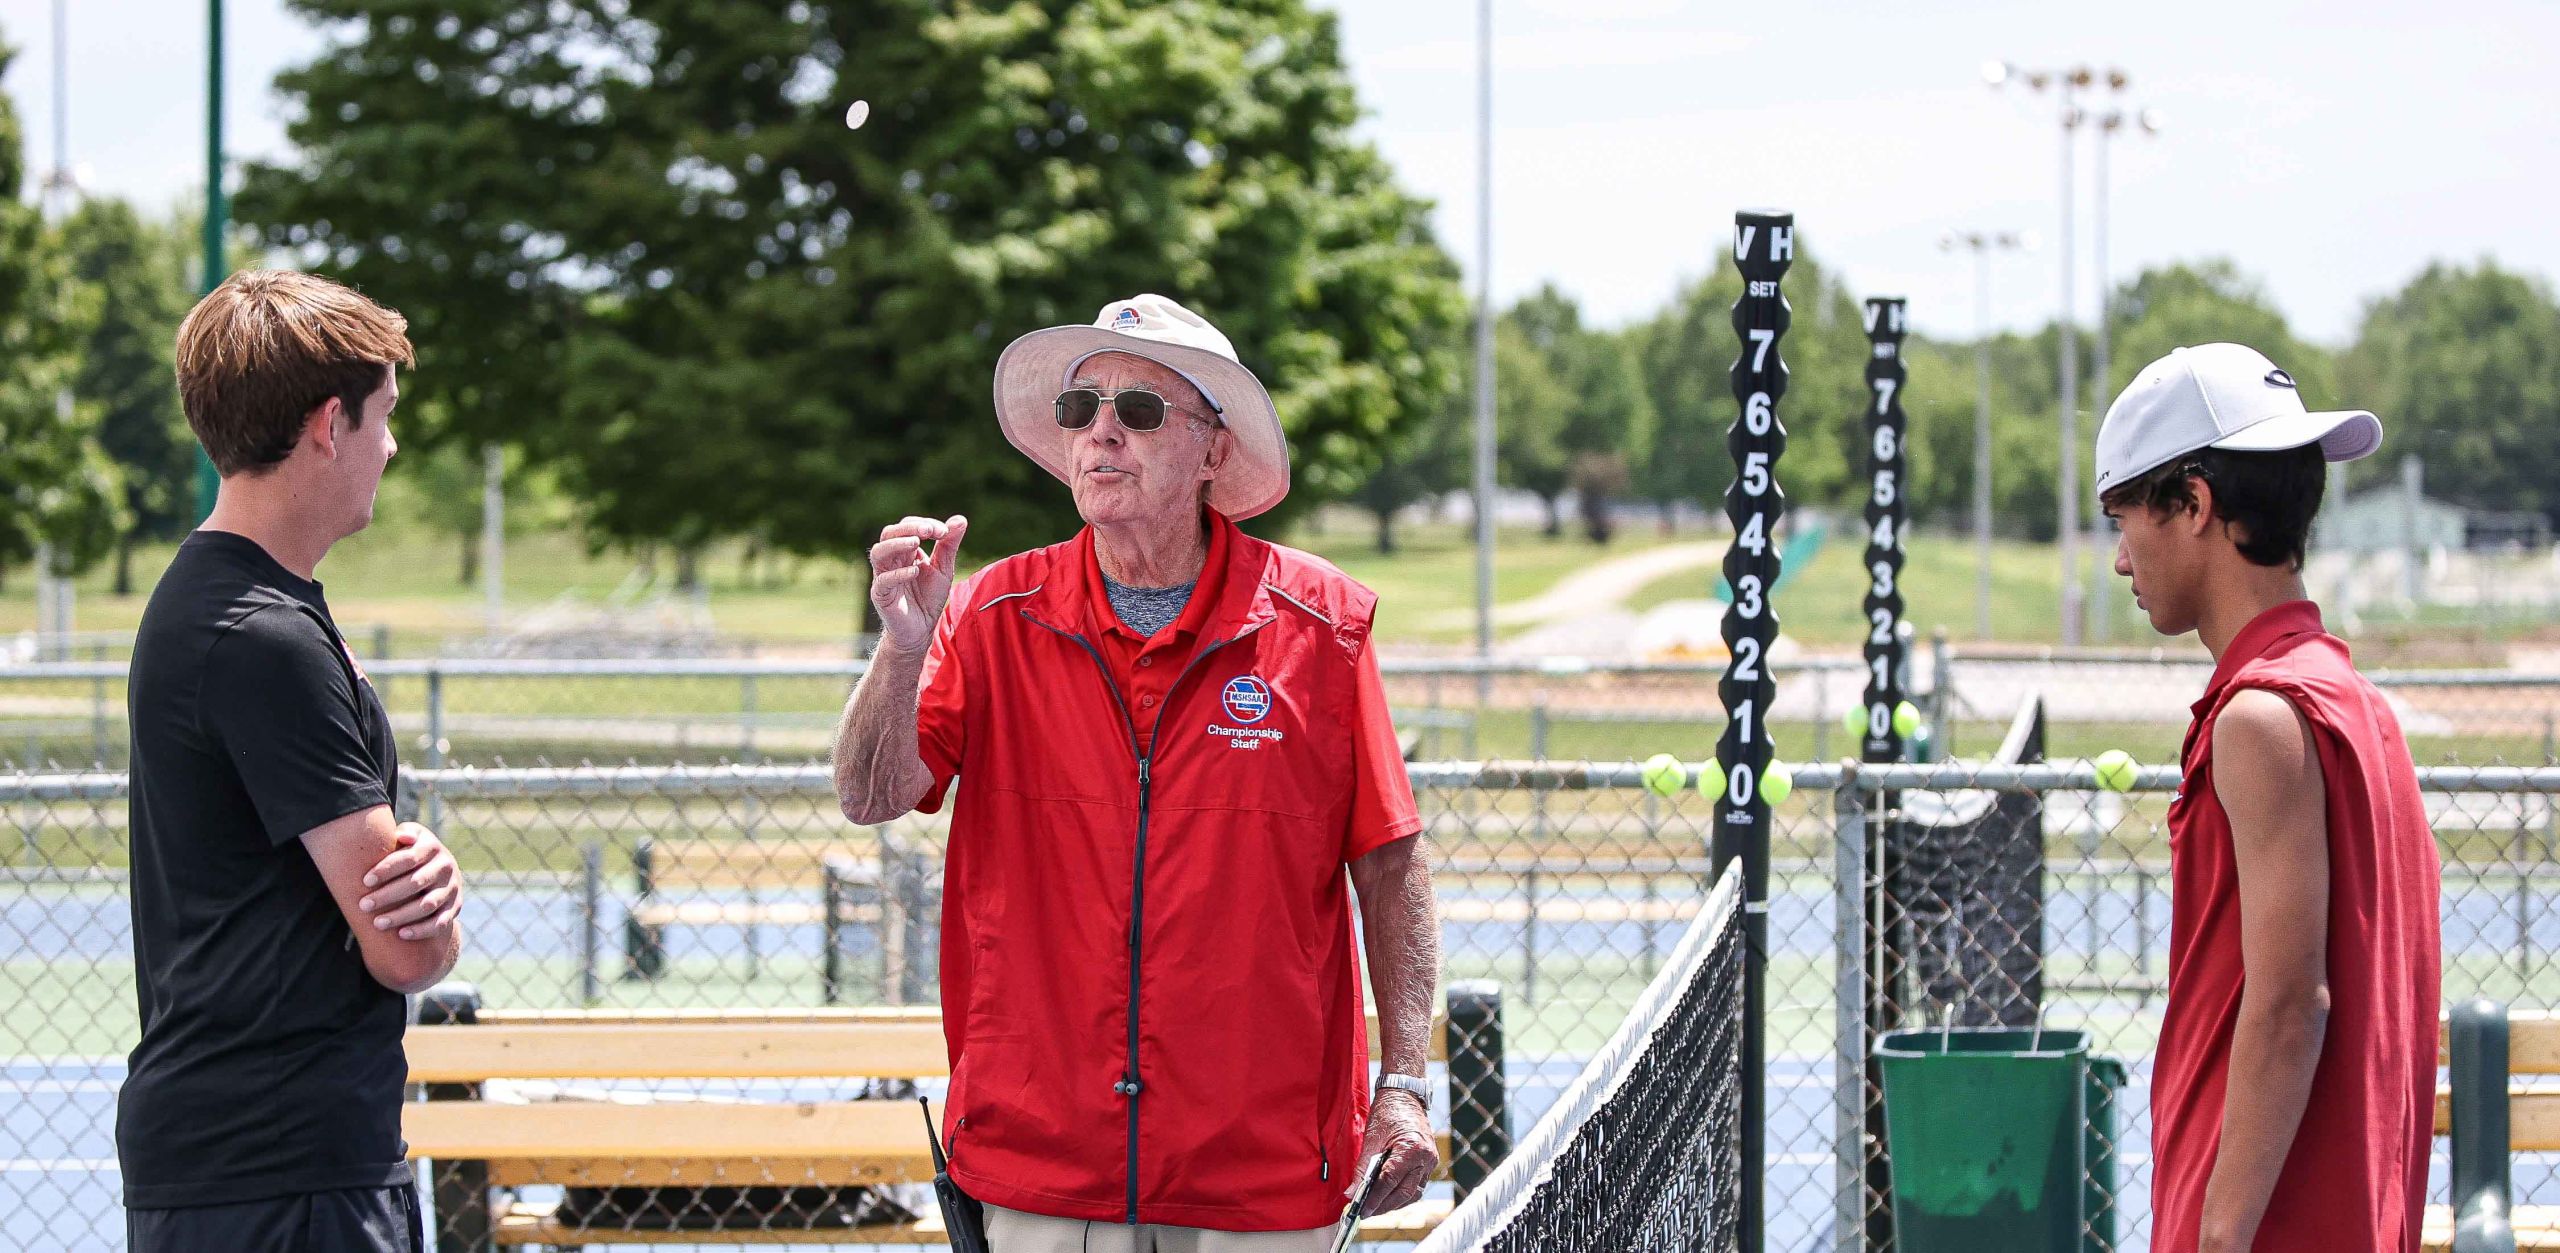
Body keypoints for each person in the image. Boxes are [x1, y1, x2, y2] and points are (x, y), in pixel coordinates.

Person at [832, 294, 1441, 1251]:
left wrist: (1402, 1083)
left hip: (1264, 1167)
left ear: (1213, 451)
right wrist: (902, 647)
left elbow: (1390, 862)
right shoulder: (990, 614)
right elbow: (870, 795)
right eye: (1082, 409)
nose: (1102, 432)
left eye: (1141, 410)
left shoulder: (1322, 625)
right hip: (1044, 1157)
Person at [120, 270, 465, 1253]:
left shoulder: (213, 601)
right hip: (285, 1173)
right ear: (327, 426)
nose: (389, 445)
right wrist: (435, 913)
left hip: (248, 1164)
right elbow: (406, 950)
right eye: (382, 415)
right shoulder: (264, 637)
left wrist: (418, 869)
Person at [2095, 343, 2442, 1253]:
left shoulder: (2261, 717)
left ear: (2194, 504)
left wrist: (2218, 1235)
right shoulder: (2358, 704)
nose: (2121, 560)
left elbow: (2291, 1003)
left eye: (2123, 517)